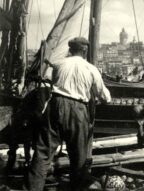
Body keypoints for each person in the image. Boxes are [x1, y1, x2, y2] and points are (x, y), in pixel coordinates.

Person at [28, 37, 111, 190]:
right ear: (85, 51)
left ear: (71, 49)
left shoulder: (59, 64)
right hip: (78, 110)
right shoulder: (91, 69)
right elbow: (105, 96)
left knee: (43, 154)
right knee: (78, 158)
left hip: (55, 105)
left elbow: (54, 84)